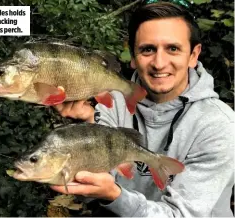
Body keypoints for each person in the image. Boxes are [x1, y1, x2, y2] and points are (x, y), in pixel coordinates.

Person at [51, 1, 234, 217]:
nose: (159, 63)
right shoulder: (113, 103)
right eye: (148, 49)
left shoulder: (221, 126)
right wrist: (89, 121)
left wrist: (116, 197)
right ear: (133, 56)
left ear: (194, 55)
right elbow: (97, 180)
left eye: (172, 49)